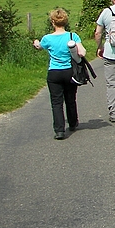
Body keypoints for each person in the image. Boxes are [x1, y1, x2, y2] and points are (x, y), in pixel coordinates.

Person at [33, 8, 86, 140]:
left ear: (52, 22)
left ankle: (59, 130)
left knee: (56, 102)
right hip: (69, 71)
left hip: (54, 72)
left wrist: (35, 43)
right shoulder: (72, 36)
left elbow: (40, 47)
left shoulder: (47, 38)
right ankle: (73, 123)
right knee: (70, 99)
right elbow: (82, 52)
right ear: (66, 21)